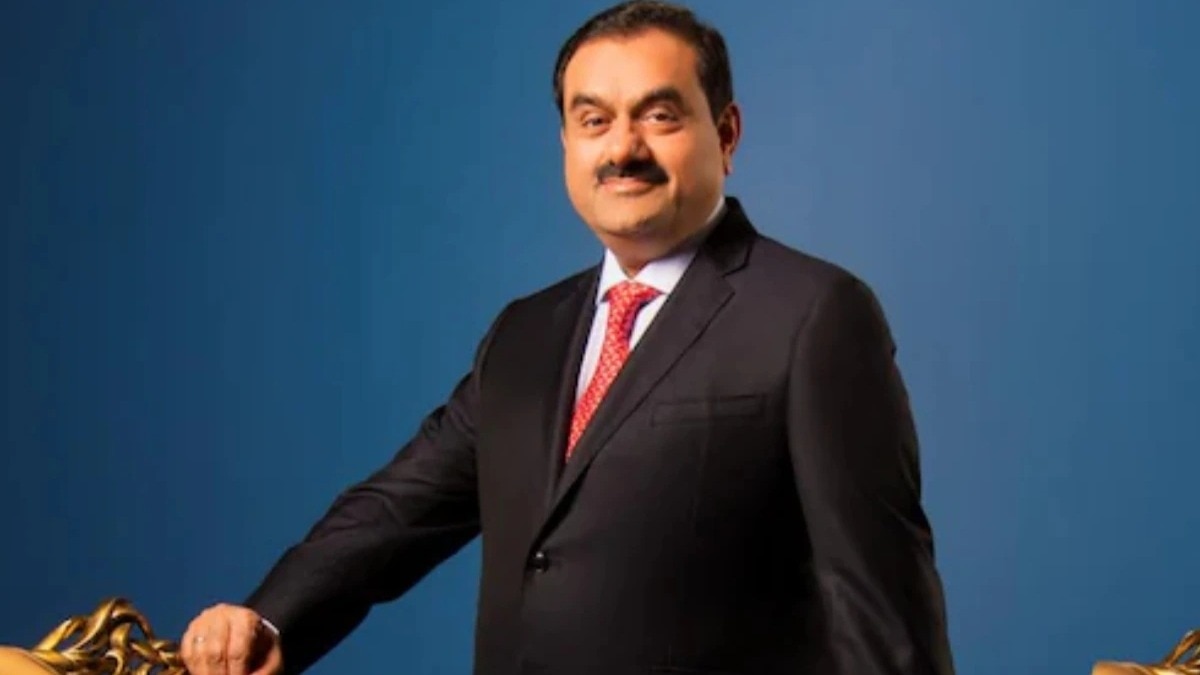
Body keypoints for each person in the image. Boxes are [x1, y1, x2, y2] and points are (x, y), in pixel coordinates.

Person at [179, 2, 956, 674]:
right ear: (566, 143)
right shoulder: (525, 334)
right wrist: (270, 617)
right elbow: (398, 509)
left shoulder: (814, 315)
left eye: (659, 116)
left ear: (725, 133)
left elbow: (881, 613)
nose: (622, 149)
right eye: (594, 121)